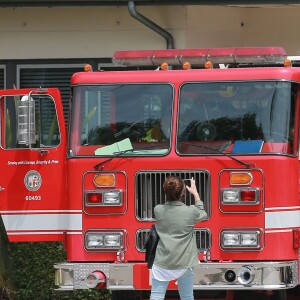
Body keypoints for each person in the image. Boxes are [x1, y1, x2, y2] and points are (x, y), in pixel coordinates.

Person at [150, 176, 207, 300]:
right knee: (187, 297)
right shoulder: (191, 211)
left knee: (156, 296)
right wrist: (195, 193)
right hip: (185, 262)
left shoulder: (158, 209)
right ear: (183, 193)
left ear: (165, 192)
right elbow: (203, 214)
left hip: (162, 261)